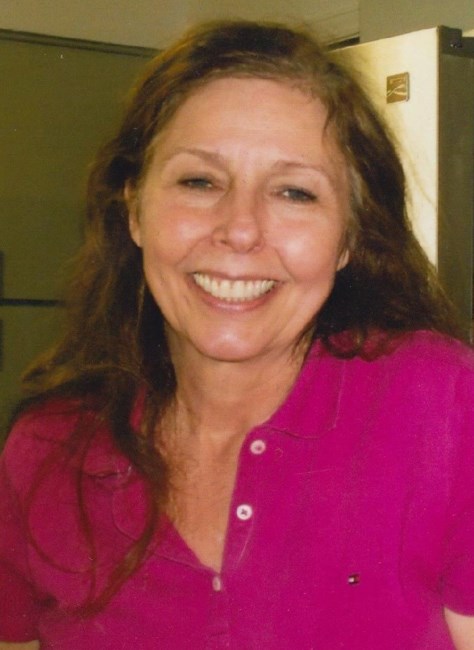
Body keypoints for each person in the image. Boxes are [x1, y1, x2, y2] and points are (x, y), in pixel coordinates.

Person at [0, 19, 473, 650]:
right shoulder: (47, 449)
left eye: (294, 192)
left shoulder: (441, 405)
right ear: (134, 208)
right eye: (199, 182)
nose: (241, 230)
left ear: (349, 239)